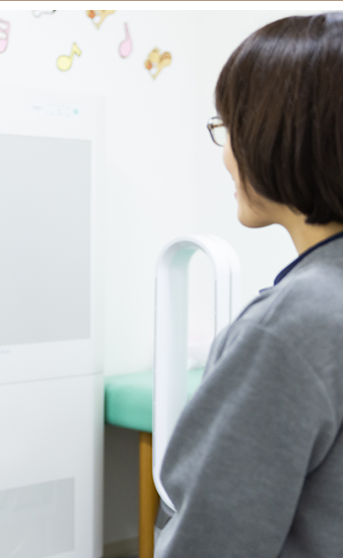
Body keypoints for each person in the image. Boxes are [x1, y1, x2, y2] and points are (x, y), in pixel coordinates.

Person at [156, 13, 343, 557]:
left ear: (281, 137)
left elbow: (210, 544)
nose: (225, 155)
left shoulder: (292, 327)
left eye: (231, 128)